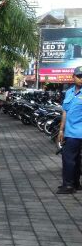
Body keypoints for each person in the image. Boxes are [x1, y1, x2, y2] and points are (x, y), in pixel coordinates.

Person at [56, 66, 82, 194]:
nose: (81, 79)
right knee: (75, 159)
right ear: (73, 77)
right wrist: (61, 130)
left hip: (79, 132)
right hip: (70, 132)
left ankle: (68, 185)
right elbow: (65, 111)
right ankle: (75, 183)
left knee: (69, 159)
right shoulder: (69, 92)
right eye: (79, 76)